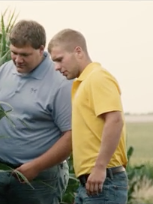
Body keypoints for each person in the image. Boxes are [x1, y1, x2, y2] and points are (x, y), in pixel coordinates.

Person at [0, 20, 73, 204]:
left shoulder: (60, 82)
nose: (17, 59)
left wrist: (36, 167)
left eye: (24, 54)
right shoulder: (4, 71)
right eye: (13, 53)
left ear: (41, 50)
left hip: (40, 178)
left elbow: (71, 136)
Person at [48, 28, 129, 204]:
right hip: (91, 183)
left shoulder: (98, 77)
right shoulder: (83, 83)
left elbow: (115, 120)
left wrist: (99, 167)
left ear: (78, 51)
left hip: (104, 181)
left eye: (60, 60)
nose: (56, 67)